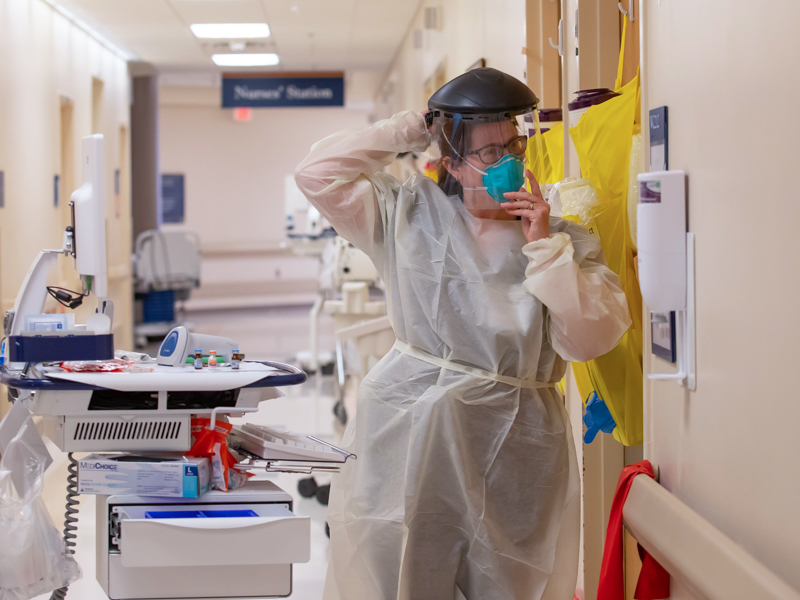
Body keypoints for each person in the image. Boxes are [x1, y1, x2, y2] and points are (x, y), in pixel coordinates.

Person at [295, 67, 631, 600]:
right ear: (451, 162)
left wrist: (543, 247)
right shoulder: (405, 214)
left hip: (518, 444)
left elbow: (591, 338)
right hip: (411, 434)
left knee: (513, 582)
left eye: (514, 148)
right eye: (488, 153)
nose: (508, 163)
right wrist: (415, 126)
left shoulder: (561, 239)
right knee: (404, 576)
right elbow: (317, 174)